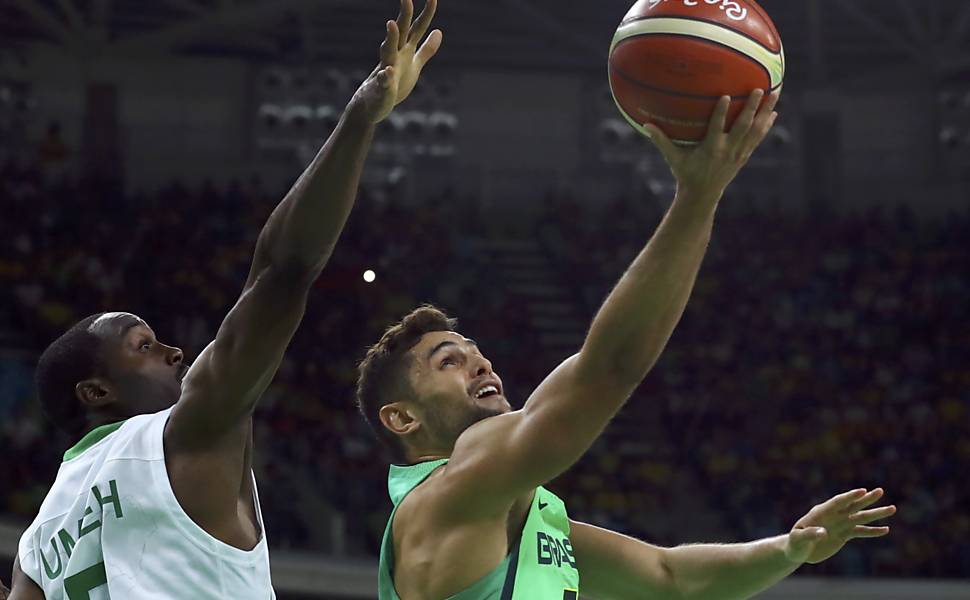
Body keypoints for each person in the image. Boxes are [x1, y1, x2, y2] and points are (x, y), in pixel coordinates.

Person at [356, 91, 897, 600]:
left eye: (474, 351)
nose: (478, 362)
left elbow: (672, 578)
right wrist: (698, 195)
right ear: (402, 419)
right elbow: (608, 369)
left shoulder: (513, 506)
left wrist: (793, 547)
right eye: (448, 360)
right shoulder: (449, 493)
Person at [1, 1, 442, 597]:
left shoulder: (36, 543)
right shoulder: (187, 431)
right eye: (144, 346)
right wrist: (360, 119)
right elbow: (283, 270)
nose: (176, 350)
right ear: (96, 392)